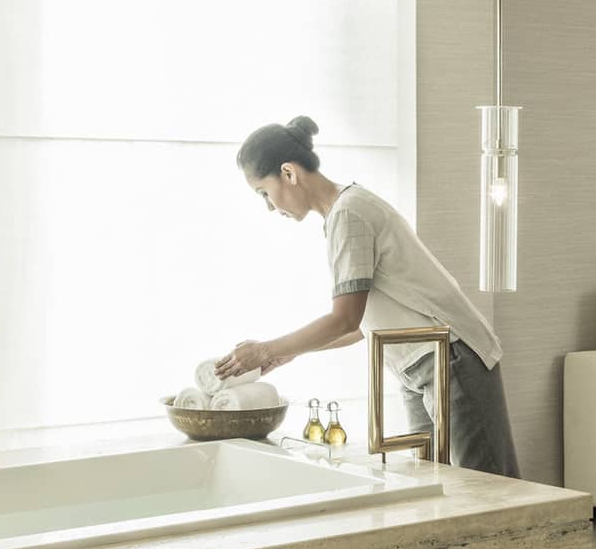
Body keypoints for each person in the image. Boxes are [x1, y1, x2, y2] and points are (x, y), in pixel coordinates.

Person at [215, 115, 521, 478]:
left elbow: (343, 319)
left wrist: (268, 349)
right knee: (436, 488)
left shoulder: (350, 213)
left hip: (451, 356)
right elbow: (361, 324)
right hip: (419, 365)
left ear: (288, 173)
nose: (268, 206)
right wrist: (287, 353)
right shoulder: (340, 215)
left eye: (264, 192)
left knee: (488, 489)